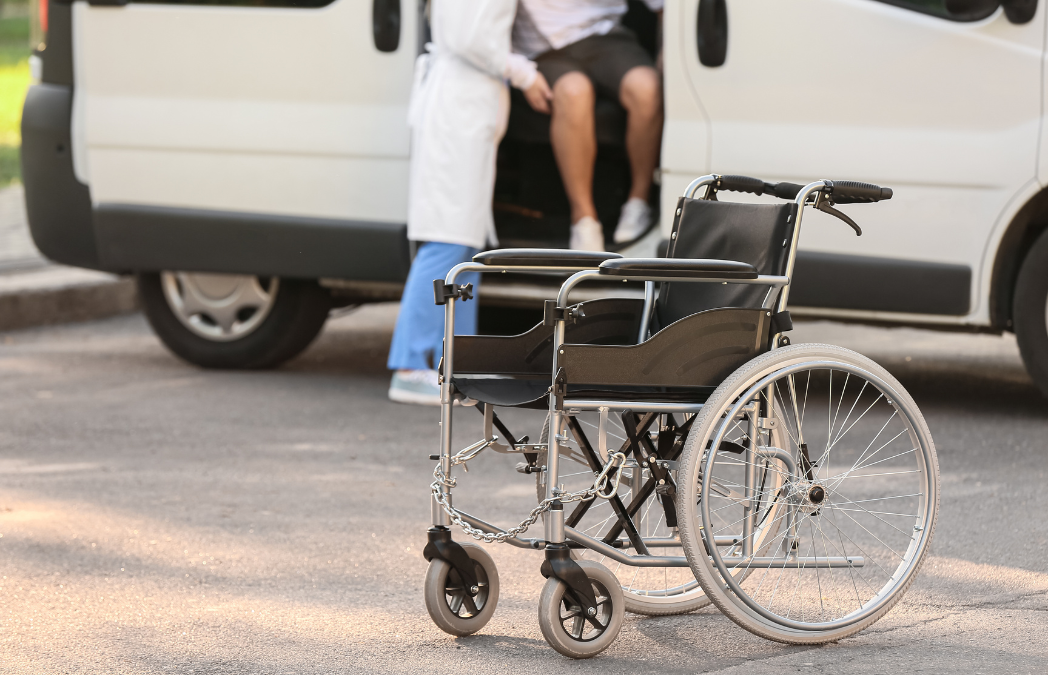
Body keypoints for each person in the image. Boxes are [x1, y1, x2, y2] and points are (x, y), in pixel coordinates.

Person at [387, 0, 549, 406]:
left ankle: (453, 363)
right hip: (457, 111)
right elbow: (470, 38)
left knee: (464, 244)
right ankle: (412, 365)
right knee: (448, 237)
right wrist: (525, 73)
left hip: (464, 108)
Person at [514, 0, 664, 252]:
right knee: (574, 92)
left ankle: (638, 202)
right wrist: (521, 73)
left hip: (607, 38)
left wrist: (667, 51)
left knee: (648, 88)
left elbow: (662, 7)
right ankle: (583, 219)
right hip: (544, 49)